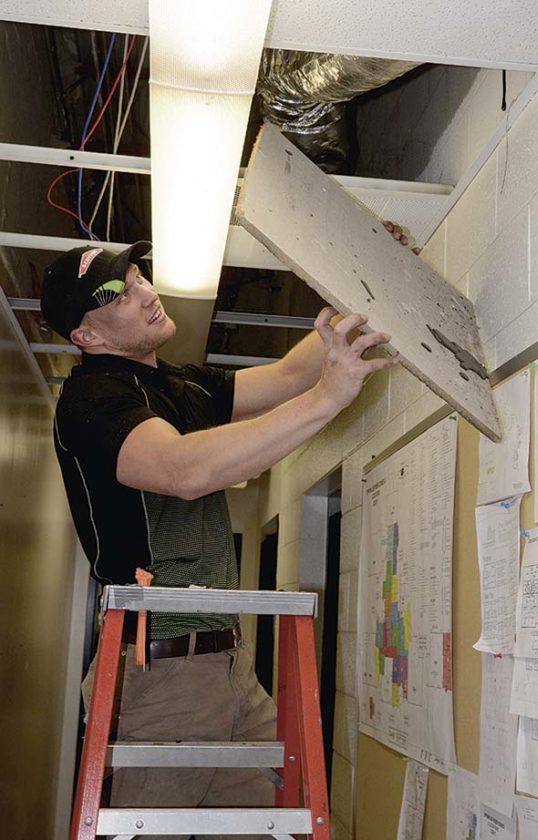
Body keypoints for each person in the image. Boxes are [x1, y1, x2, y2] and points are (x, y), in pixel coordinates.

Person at [40, 238, 397, 836]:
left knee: (283, 825)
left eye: (138, 277)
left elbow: (290, 373)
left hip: (229, 667)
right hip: (160, 676)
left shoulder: (182, 386)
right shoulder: (91, 398)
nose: (145, 294)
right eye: (119, 295)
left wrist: (368, 277)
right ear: (88, 336)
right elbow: (184, 470)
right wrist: (329, 397)